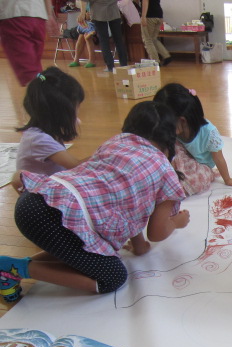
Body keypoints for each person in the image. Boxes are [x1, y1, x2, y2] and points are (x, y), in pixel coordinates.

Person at [1, 101, 189, 302]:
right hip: (57, 216)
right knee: (112, 278)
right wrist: (176, 222)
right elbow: (157, 233)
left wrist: (140, 246)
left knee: (73, 246)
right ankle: (13, 268)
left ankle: (13, 268)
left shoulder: (117, 142)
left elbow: (129, 203)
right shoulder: (164, 170)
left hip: (36, 201)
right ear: (171, 138)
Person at [154, 83, 232, 187]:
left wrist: (227, 179)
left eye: (166, 123)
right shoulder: (174, 130)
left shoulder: (209, 133)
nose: (162, 125)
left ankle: (175, 186)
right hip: (183, 160)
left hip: (201, 166)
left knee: (198, 180)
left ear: (182, 121)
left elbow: (218, 158)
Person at [15, 67, 85, 178]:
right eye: (77, 107)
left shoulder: (45, 131)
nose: (77, 113)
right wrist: (105, 154)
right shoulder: (39, 139)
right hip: (42, 188)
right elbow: (77, 166)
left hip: (52, 183)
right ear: (61, 112)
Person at [0, 0, 57, 86]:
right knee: (35, 71)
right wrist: (49, 15)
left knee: (30, 75)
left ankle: (49, 92)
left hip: (15, 15)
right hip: (39, 17)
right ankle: (44, 87)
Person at [79, 0, 128, 73]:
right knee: (118, 40)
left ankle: (110, 66)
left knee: (103, 40)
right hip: (114, 12)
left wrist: (82, 13)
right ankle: (124, 64)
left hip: (98, 14)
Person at [140, 0, 172, 66]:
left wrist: (143, 16)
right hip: (159, 15)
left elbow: (145, 1)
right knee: (153, 39)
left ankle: (155, 61)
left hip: (149, 15)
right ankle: (166, 56)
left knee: (148, 40)